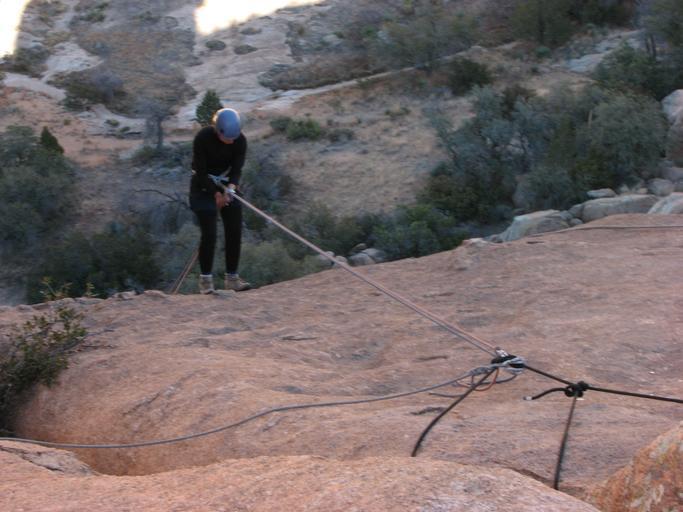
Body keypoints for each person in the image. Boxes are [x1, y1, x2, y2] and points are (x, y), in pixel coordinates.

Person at [190, 107, 251, 294]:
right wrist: (215, 194)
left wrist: (231, 189)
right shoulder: (203, 138)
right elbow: (200, 172)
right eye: (228, 138)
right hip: (202, 185)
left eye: (234, 137)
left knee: (234, 227)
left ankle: (232, 278)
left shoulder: (240, 140)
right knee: (209, 231)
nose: (232, 141)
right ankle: (206, 281)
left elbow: (237, 169)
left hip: (226, 184)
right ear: (218, 131)